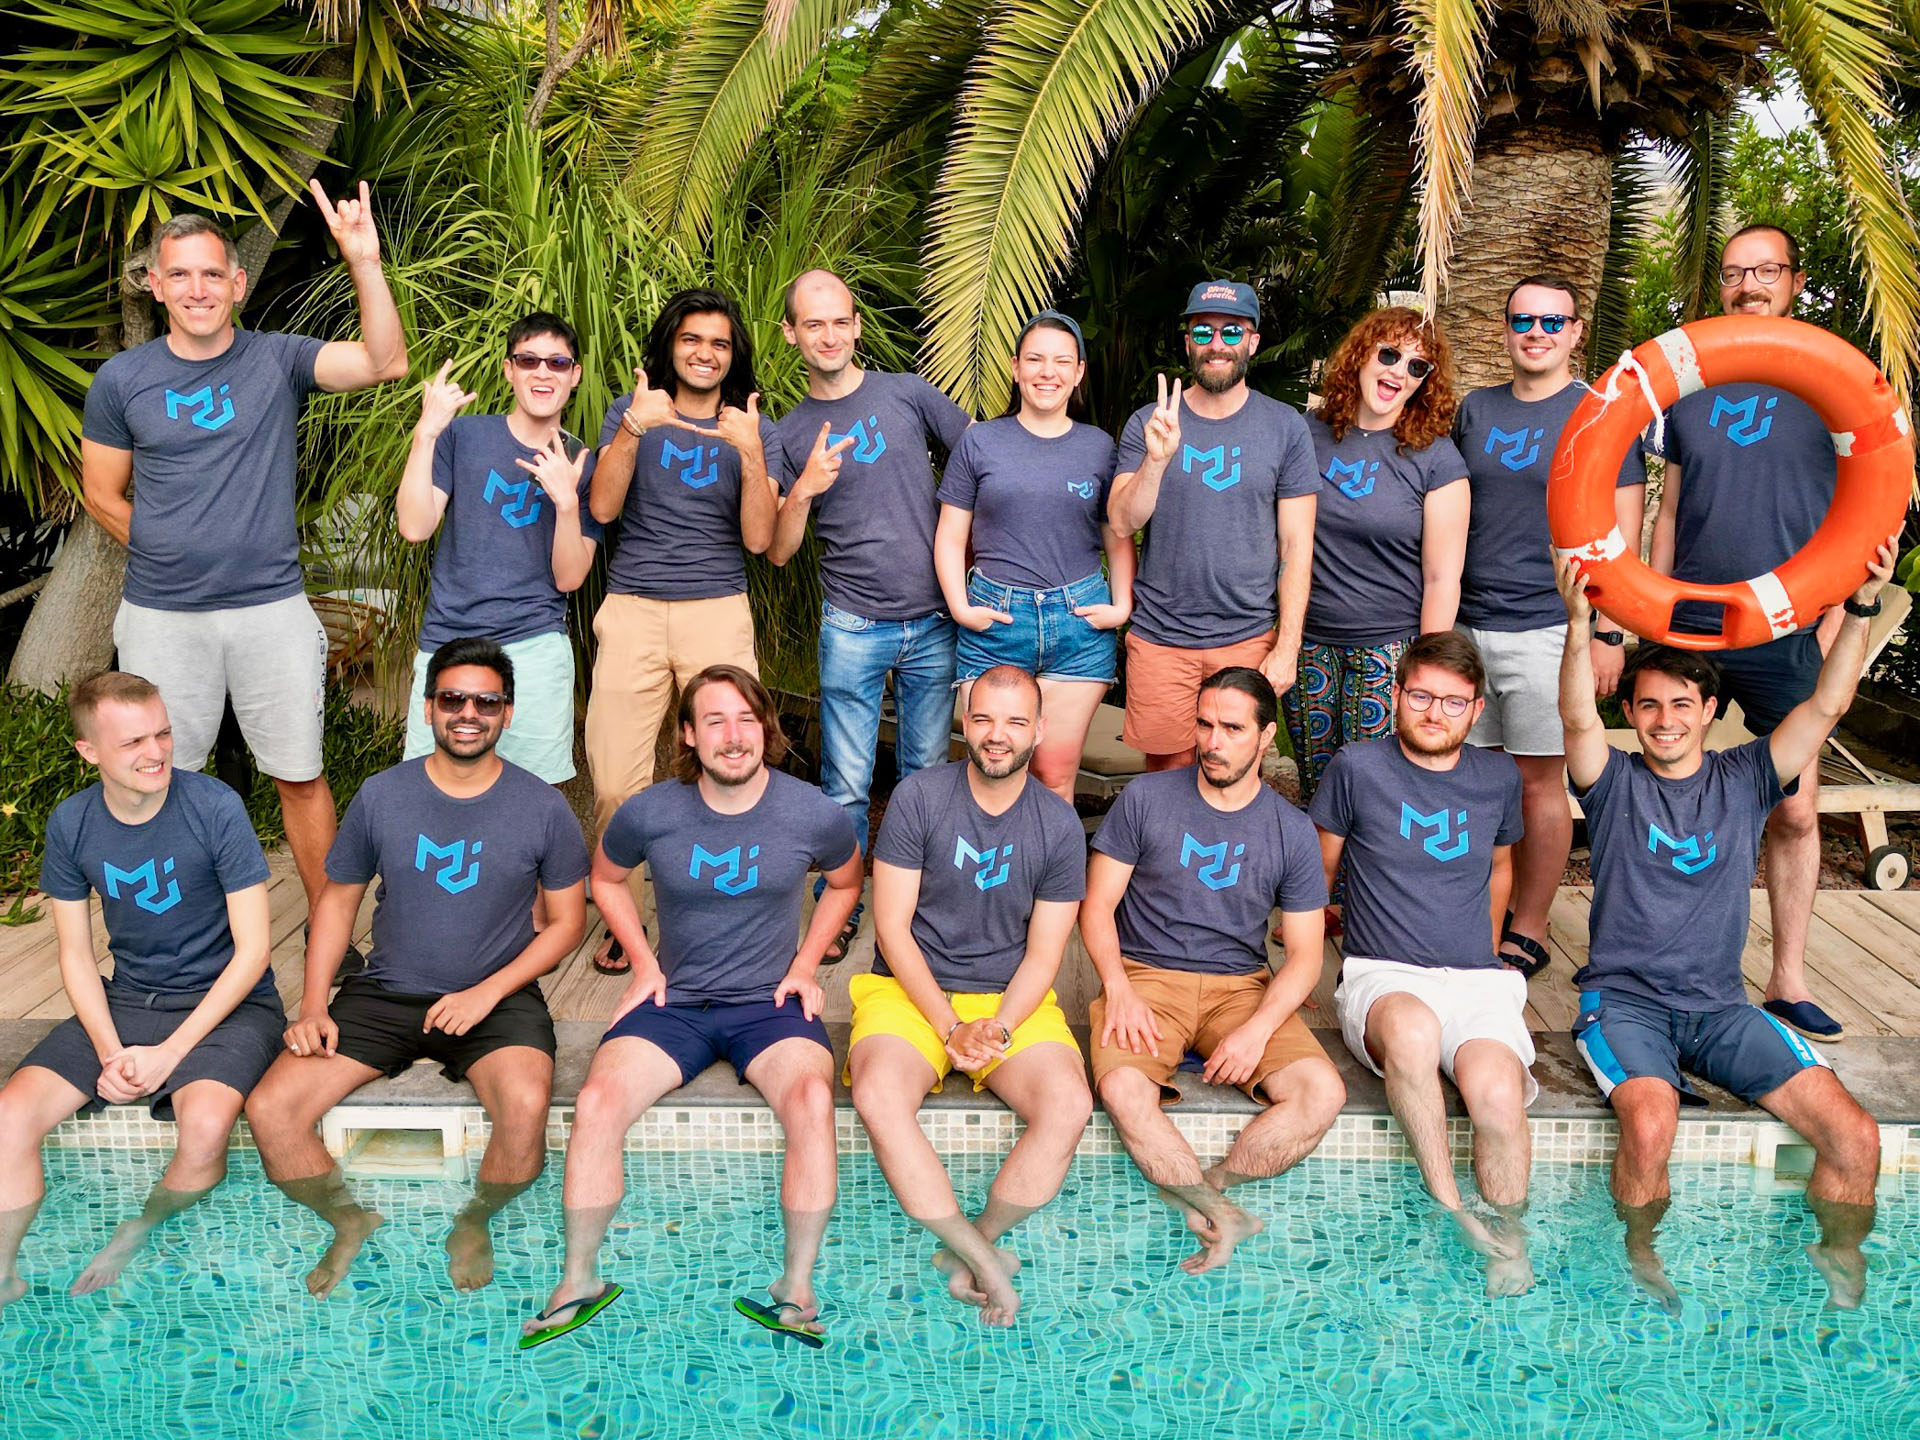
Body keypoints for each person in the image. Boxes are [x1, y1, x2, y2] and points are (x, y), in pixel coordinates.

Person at [1556, 539, 1896, 1312]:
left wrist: (1862, 606)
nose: (1665, 720)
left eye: (1682, 704)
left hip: (1719, 1007)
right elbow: (1575, 714)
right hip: (1626, 1004)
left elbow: (1827, 706)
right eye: (1648, 705)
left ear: (1710, 711)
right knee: (1651, 1123)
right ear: (1629, 713)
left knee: (1857, 1135)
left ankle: (1838, 1263)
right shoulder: (1610, 782)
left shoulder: (1747, 777)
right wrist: (1579, 626)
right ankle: (1640, 1260)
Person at [80, 191, 408, 928]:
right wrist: (173, 554)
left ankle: (330, 937)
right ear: (155, 285)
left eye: (211, 274)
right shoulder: (123, 381)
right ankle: (182, 937)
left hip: (271, 611)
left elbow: (386, 362)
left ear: (237, 284)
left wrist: (364, 261)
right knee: (161, 780)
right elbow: (100, 493)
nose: (196, 289)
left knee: (300, 775)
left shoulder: (277, 360)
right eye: (179, 274)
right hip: (163, 616)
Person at [526, 666, 861, 1349]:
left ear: (765, 728)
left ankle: (796, 1289)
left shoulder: (812, 812)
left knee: (812, 1100)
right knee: (595, 1102)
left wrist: (805, 965)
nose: (733, 736)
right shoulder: (650, 812)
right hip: (673, 1000)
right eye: (714, 721)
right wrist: (643, 961)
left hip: (769, 1003)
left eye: (745, 719)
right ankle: (580, 1280)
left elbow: (847, 881)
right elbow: (606, 879)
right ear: (687, 734)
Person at [244, 638, 588, 1299]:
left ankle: (475, 1220)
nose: (468, 713)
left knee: (524, 1107)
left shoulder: (543, 807)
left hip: (497, 996)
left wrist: (486, 993)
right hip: (385, 992)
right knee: (270, 1109)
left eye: (486, 702)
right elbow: (336, 903)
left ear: (508, 713)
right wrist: (312, 1005)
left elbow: (568, 924)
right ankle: (347, 1220)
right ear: (428, 708)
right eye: (453, 699)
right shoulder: (383, 796)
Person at [0, 672, 279, 1307]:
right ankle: (4, 1272)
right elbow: (75, 954)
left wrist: (169, 1054)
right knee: (10, 1116)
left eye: (163, 733)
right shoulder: (72, 822)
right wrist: (109, 1053)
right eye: (132, 742)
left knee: (203, 1127)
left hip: (230, 1004)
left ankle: (137, 1231)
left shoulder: (213, 806)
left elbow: (255, 952)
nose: (156, 752)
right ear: (89, 751)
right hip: (129, 1000)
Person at [1648, 225, 1846, 1041]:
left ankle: (1787, 979)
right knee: (1667, 800)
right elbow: (1668, 512)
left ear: (1795, 282)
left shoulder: (1834, 386)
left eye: (1766, 270)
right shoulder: (1693, 386)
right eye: (1734, 273)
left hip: (1792, 625)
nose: (1749, 285)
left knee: (1794, 811)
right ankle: (1654, 964)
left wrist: (1835, 627)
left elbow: (1864, 515)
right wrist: (1651, 610)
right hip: (1693, 620)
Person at [1081, 667, 1346, 1272]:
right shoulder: (1147, 799)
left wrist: (1257, 1030)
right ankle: (1220, 1213)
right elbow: (1096, 907)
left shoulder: (1291, 830)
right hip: (1146, 977)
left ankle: (1215, 1189)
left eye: (1232, 728)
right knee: (1122, 1090)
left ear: (1266, 737)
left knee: (1322, 1093)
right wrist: (1117, 987)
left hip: (1240, 988)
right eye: (1204, 725)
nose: (1213, 742)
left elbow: (1306, 955)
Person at [850, 665, 1090, 1328]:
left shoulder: (1058, 825)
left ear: (1039, 730)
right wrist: (949, 1025)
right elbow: (892, 929)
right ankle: (983, 1260)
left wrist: (1000, 1027)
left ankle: (975, 1243)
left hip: (1009, 997)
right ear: (964, 721)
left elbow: (1045, 955)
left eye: (1015, 721)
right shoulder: (919, 798)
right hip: (911, 991)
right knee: (878, 1096)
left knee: (1069, 1104)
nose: (997, 734)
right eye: (983, 718)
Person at [1310, 632, 1535, 1295]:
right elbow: (1319, 871)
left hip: (1474, 980)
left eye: (1453, 701)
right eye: (1421, 696)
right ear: (1397, 695)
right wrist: (1306, 960)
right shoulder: (1357, 768)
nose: (1435, 713)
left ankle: (1511, 1241)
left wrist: (1487, 953)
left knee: (1496, 1093)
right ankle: (1452, 1209)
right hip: (1384, 974)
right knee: (1412, 1032)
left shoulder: (1497, 778)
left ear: (1477, 709)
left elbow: (1500, 867)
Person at [767, 270, 973, 962]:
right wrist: (803, 489)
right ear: (791, 334)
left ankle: (915, 905)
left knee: (924, 775)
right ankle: (842, 903)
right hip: (853, 624)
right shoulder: (789, 433)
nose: (829, 336)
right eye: (813, 324)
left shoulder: (907, 393)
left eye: (840, 321)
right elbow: (777, 550)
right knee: (846, 784)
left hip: (935, 619)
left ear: (856, 326)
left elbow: (981, 456)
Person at [583, 287, 780, 974]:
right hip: (633, 607)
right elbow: (601, 507)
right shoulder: (633, 409)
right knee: (616, 781)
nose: (705, 353)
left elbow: (759, 540)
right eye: (691, 339)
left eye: (719, 343)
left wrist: (751, 453)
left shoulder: (750, 425)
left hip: (717, 608)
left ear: (733, 354)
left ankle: (722, 916)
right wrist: (633, 429)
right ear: (670, 345)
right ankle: (626, 917)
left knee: (729, 767)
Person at [1454, 275, 1645, 979]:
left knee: (1539, 782)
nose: (1536, 333)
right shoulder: (1475, 410)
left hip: (1551, 627)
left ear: (1575, 332)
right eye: (1523, 320)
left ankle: (1529, 924)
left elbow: (1624, 538)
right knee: (1472, 780)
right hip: (1466, 625)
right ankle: (1474, 912)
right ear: (1505, 329)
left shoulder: (1600, 413)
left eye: (1551, 321)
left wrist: (1608, 635)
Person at [1109, 280, 1320, 769]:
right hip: (1161, 636)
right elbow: (1121, 522)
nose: (1217, 343)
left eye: (1232, 331)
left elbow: (1296, 547)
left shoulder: (1285, 427)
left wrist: (1287, 646)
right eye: (1203, 331)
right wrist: (1156, 461)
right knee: (1167, 779)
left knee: (1235, 778)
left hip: (1247, 637)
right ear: (1188, 342)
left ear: (1253, 342)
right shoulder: (1150, 420)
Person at [934, 309, 1134, 803]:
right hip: (996, 623)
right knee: (992, 767)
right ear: (1015, 367)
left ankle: (1051, 860)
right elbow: (951, 536)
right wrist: (960, 608)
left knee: (1054, 774)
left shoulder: (1099, 447)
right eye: (1035, 360)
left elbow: (1117, 534)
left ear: (1079, 372)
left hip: (1079, 626)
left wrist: (1122, 606)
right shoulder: (980, 441)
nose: (1048, 372)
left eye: (1062, 361)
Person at [395, 311, 602, 785]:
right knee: (430, 789)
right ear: (509, 370)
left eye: (557, 362)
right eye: (528, 360)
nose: (543, 372)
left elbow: (570, 578)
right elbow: (414, 526)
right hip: (449, 640)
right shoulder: (464, 436)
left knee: (530, 795)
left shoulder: (581, 461)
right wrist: (427, 432)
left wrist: (567, 504)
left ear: (575, 374)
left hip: (535, 644)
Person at [1286, 307, 1469, 807]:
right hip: (1307, 645)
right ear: (1361, 354)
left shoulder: (1436, 457)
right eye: (1389, 355)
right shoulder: (1306, 434)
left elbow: (1442, 578)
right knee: (1319, 790)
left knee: (1378, 795)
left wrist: (1425, 671)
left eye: (1417, 366)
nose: (1398, 372)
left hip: (1388, 653)